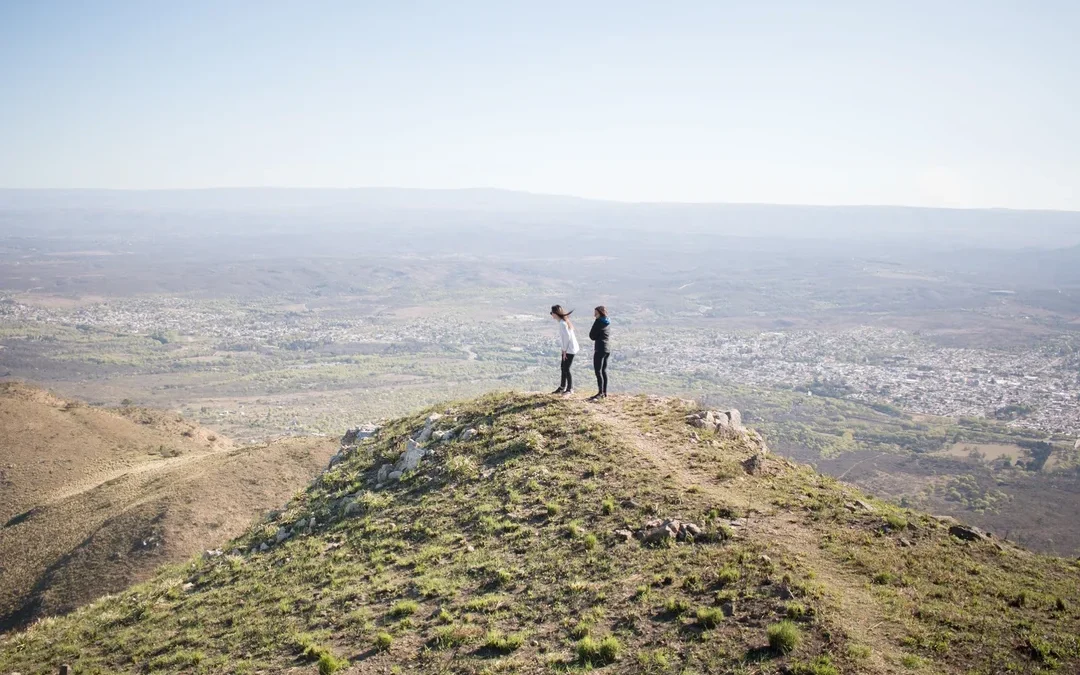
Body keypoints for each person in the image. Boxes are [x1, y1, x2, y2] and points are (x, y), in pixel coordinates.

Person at [550, 304, 579, 395]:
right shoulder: (564, 322)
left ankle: (570, 388)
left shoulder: (563, 324)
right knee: (563, 367)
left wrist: (564, 351)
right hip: (568, 349)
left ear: (555, 313)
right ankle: (562, 387)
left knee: (566, 368)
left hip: (569, 349)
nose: (551, 315)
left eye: (552, 313)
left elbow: (566, 338)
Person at [588, 306, 610, 401]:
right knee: (603, 371)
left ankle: (600, 393)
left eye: (596, 313)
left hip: (599, 348)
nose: (594, 315)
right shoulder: (607, 321)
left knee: (598, 371)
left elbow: (592, 336)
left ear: (600, 313)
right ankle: (604, 392)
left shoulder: (598, 322)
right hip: (607, 348)